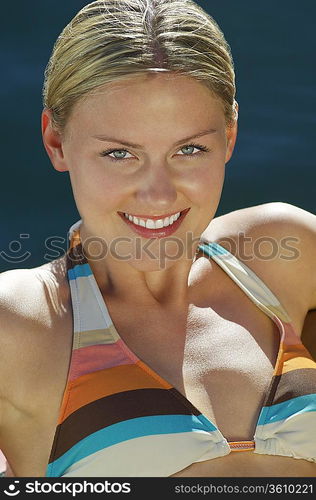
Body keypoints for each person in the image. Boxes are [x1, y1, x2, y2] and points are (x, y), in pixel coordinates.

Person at [0, 0, 315, 478]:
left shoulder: (286, 256)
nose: (159, 193)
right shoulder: (20, 322)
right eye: (119, 154)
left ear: (229, 137)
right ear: (57, 142)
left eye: (190, 149)